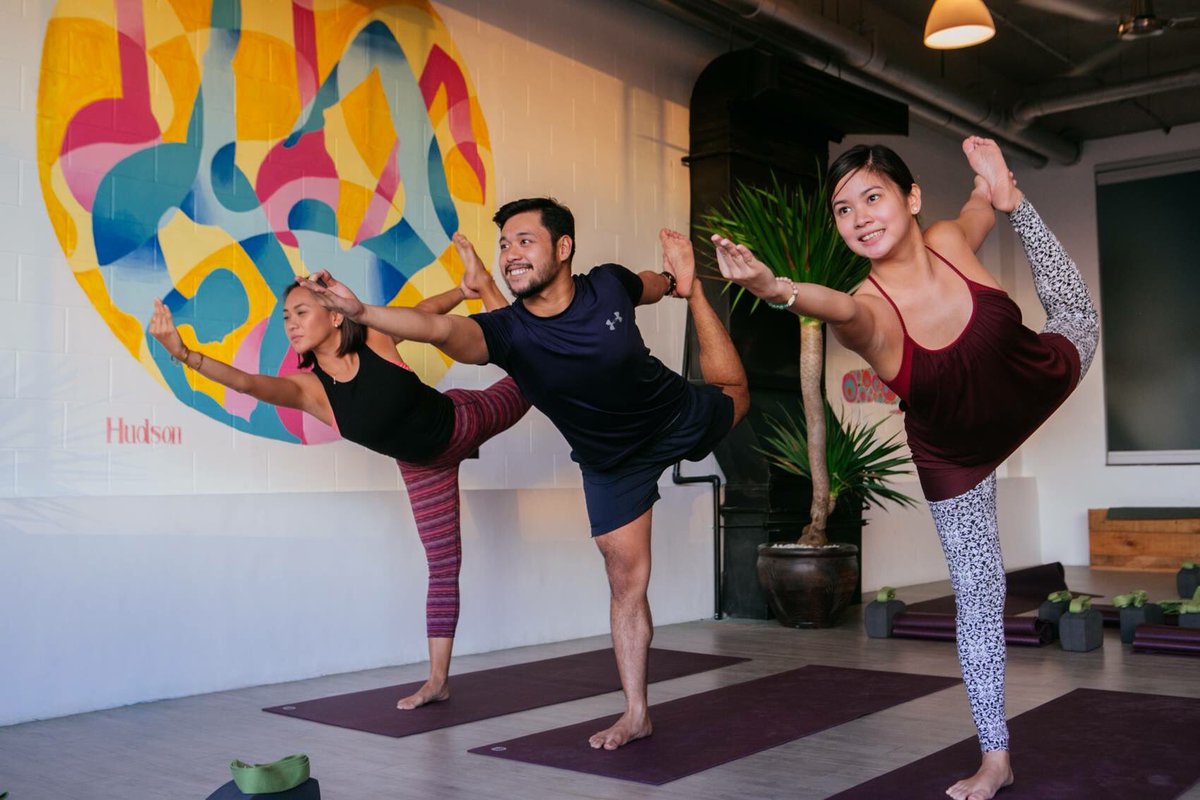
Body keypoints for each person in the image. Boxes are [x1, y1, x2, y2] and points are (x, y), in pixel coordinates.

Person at [713, 136, 1098, 800]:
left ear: (911, 198)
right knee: (979, 593)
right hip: (956, 452)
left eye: (873, 197)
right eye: (842, 209)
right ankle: (996, 755)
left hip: (1031, 382)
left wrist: (994, 192)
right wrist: (772, 287)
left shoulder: (950, 239)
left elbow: (975, 211)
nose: (859, 217)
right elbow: (827, 303)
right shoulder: (866, 312)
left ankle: (1021, 198)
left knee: (1079, 317)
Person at [298, 198, 749, 750]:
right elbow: (436, 328)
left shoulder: (607, 283)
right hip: (611, 463)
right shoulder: (505, 332)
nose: (511, 254)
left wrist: (679, 281)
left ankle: (704, 290)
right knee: (624, 581)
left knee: (736, 394)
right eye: (505, 244)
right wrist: (363, 312)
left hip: (671, 413)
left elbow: (652, 286)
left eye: (524, 241)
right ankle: (636, 712)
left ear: (563, 248)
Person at [149, 240, 529, 711]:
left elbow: (425, 313)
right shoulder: (311, 391)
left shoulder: (374, 338)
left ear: (333, 315)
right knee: (443, 566)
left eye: (301, 312)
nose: (290, 324)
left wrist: (464, 292)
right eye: (286, 317)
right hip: (421, 468)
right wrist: (183, 352)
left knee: (531, 371)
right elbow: (246, 383)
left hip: (460, 420)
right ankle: (437, 680)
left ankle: (490, 286)